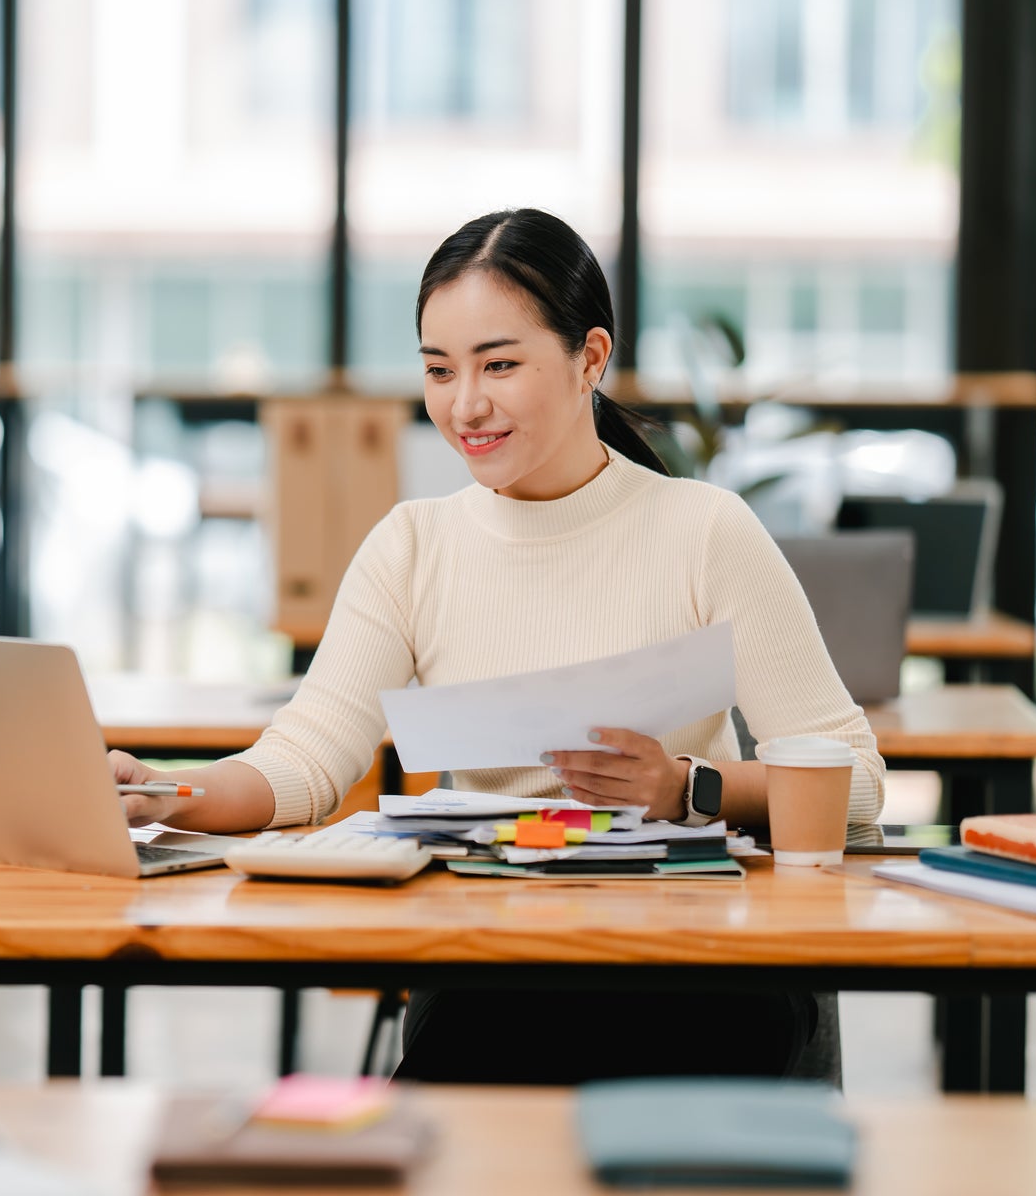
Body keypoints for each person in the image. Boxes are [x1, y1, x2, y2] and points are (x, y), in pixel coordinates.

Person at [111, 207, 885, 1081]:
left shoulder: (704, 531)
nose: (464, 404)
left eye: (500, 365)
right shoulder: (413, 546)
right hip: (495, 961)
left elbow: (856, 782)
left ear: (590, 357)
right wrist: (168, 793)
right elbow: (304, 761)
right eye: (440, 370)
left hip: (690, 954)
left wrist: (687, 788)